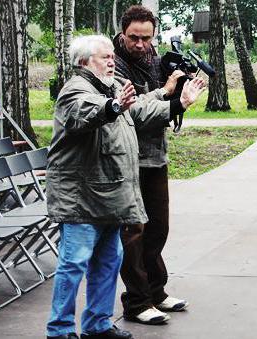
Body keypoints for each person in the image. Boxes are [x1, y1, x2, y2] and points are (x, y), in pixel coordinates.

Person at [46, 34, 205, 339]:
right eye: (104, 57)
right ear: (83, 62)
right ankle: (60, 331)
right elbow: (86, 113)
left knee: (108, 263)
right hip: (80, 199)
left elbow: (140, 110)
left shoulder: (113, 87)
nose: (111, 61)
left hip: (109, 197)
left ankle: (98, 325)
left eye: (111, 56)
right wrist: (113, 106)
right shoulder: (75, 90)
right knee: (74, 265)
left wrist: (177, 101)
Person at [113, 5, 198, 325]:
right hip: (126, 159)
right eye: (134, 37)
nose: (140, 44)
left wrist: (180, 81)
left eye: (146, 38)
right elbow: (132, 113)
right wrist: (172, 97)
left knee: (158, 227)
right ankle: (136, 303)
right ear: (123, 33)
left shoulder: (155, 59)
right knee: (133, 232)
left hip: (155, 155)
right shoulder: (114, 65)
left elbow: (164, 103)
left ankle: (156, 291)